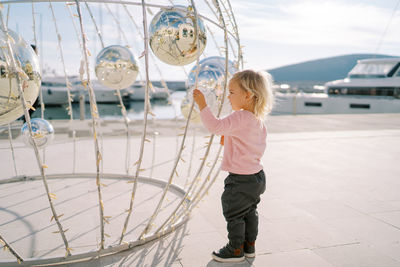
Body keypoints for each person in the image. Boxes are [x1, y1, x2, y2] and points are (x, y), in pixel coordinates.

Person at [193, 69, 274, 263]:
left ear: (248, 95)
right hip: (257, 177)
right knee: (249, 211)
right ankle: (249, 245)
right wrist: (228, 139)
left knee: (233, 212)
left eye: (231, 92)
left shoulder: (240, 116)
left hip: (240, 179)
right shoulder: (257, 120)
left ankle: (235, 248)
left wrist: (202, 104)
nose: (228, 97)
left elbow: (214, 126)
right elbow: (248, 143)